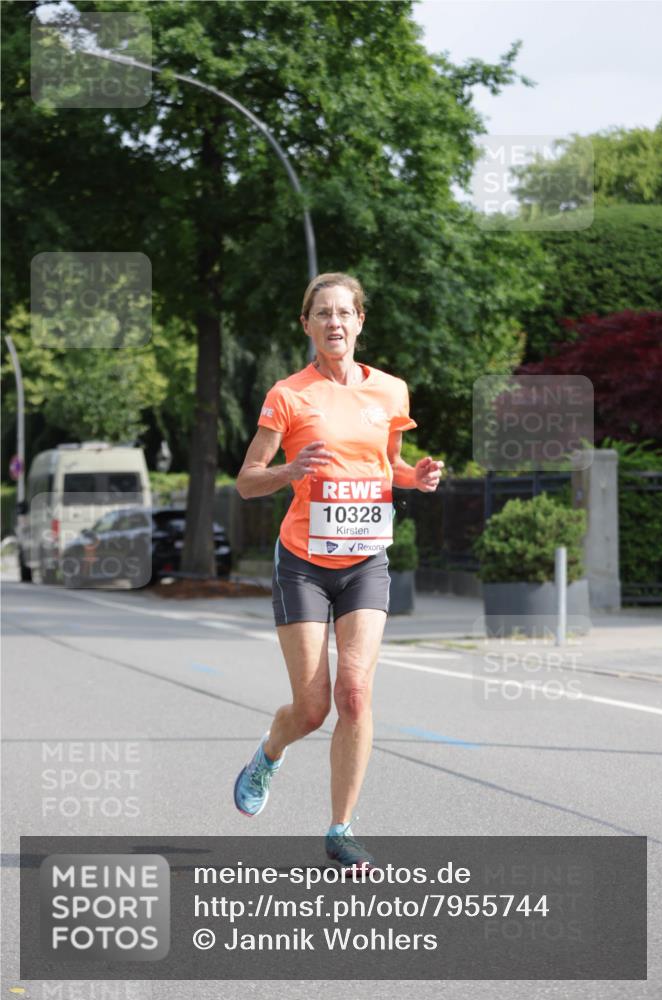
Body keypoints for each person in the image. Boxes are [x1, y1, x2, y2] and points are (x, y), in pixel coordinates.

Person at [234, 272, 442, 868]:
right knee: (312, 709)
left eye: (344, 312)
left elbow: (389, 465)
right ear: (307, 324)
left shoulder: (390, 392)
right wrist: (289, 470)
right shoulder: (288, 395)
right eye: (322, 313)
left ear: (360, 321)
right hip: (303, 562)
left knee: (354, 692)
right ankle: (270, 752)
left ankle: (341, 829)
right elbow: (247, 480)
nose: (334, 323)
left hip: (366, 561)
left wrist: (416, 477)